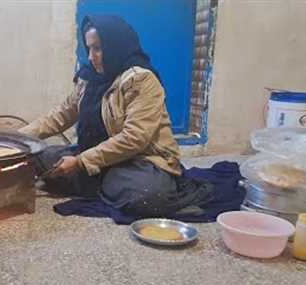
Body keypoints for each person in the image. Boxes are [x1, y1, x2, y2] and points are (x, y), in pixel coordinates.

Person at [20, 15, 212, 219]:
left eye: (99, 48)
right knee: (38, 157)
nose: (92, 57)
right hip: (93, 153)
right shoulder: (88, 78)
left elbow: (135, 138)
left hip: (138, 160)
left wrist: (80, 161)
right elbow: (60, 115)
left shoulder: (140, 80)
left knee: (146, 196)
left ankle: (100, 181)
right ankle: (101, 181)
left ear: (116, 45)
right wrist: (15, 140)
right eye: (90, 49)